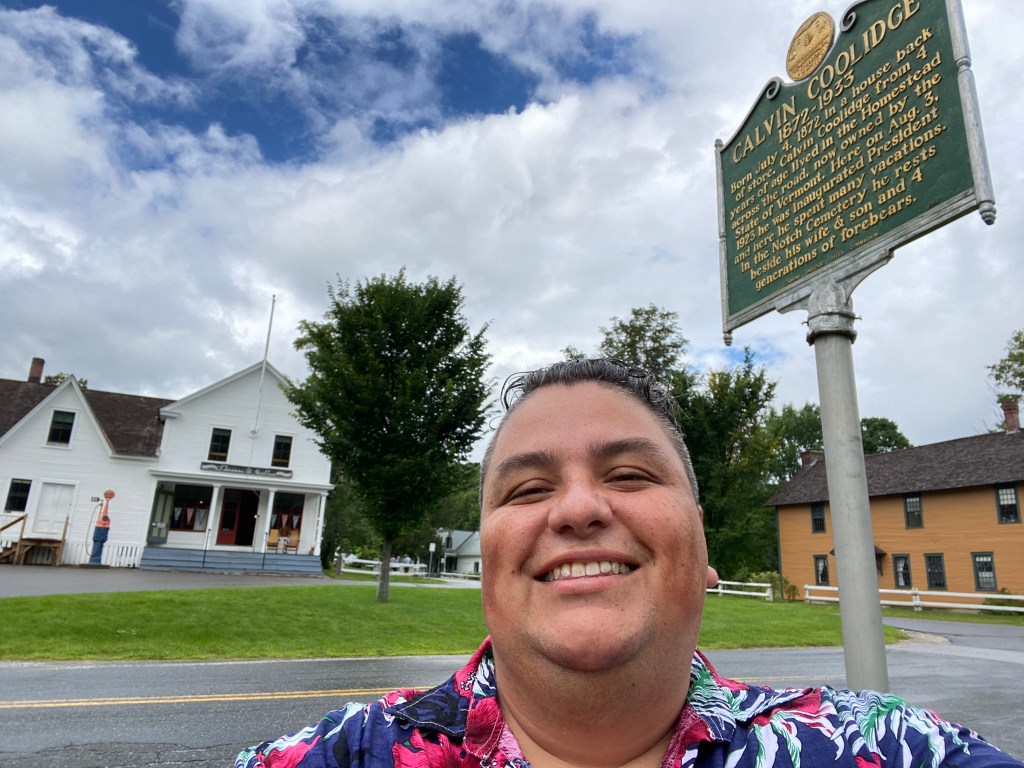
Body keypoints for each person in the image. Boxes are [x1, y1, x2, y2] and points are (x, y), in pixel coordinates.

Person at [236, 359, 1022, 768]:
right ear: (487, 559)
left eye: (631, 475)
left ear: (702, 546)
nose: (578, 509)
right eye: (528, 488)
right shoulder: (342, 756)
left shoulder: (886, 749)